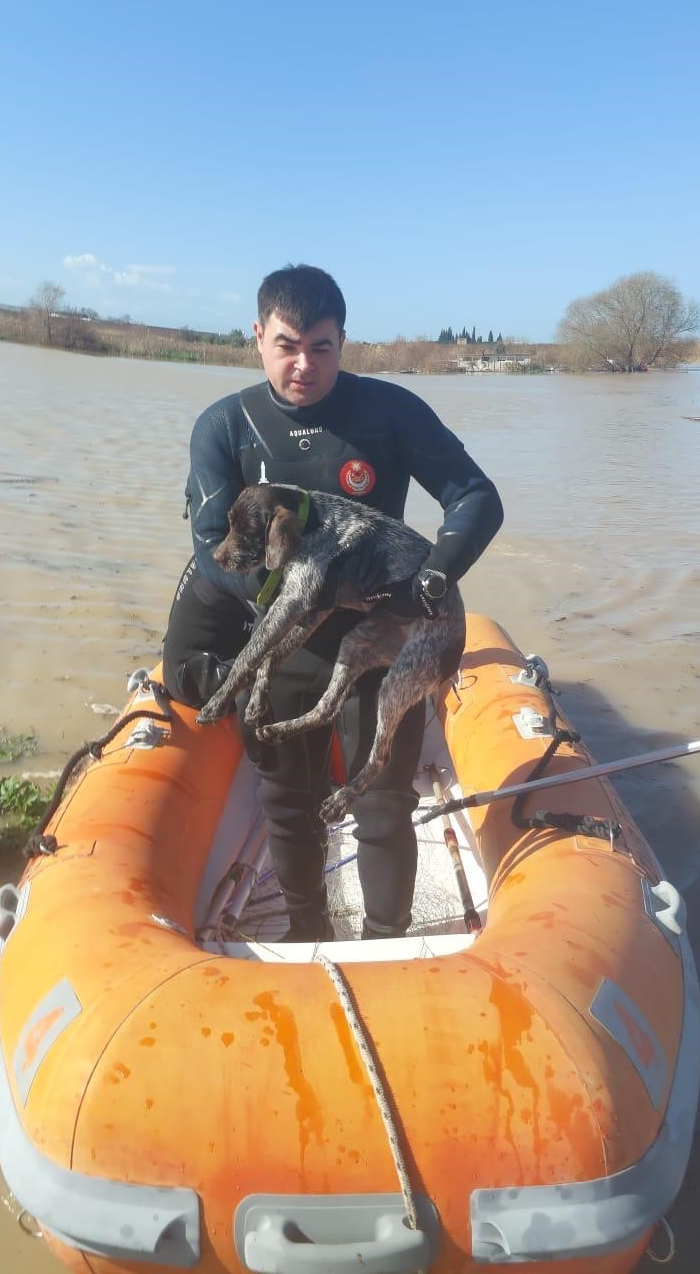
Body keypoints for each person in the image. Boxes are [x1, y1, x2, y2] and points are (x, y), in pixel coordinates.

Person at [162, 264, 503, 941]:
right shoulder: (225, 427)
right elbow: (210, 549)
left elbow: (475, 497)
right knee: (288, 806)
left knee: (383, 806)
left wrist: (431, 582)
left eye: (321, 347)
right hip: (283, 647)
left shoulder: (388, 411)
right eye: (287, 344)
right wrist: (287, 597)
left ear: (342, 342)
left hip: (382, 636)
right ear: (257, 336)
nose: (303, 365)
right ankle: (305, 929)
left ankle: (385, 939)